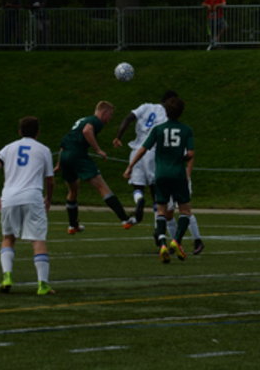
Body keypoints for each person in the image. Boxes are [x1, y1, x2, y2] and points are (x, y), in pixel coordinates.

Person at [0, 116, 55, 295]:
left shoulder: (8, 148)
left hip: (9, 197)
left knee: (8, 237)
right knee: (38, 240)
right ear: (38, 132)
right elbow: (50, 180)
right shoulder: (44, 150)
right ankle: (43, 284)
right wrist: (48, 198)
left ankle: (7, 276)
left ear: (19, 131)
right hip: (32, 196)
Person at [123, 96, 194, 264]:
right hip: (178, 173)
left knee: (160, 210)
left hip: (160, 174)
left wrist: (130, 166)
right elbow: (190, 154)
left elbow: (142, 149)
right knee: (185, 210)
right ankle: (176, 241)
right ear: (181, 112)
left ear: (166, 112)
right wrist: (181, 159)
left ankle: (162, 244)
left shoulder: (158, 129)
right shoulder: (186, 130)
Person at [57, 101, 136, 233]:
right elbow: (87, 130)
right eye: (110, 115)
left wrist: (59, 164)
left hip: (65, 155)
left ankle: (72, 225)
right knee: (102, 187)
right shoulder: (95, 121)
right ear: (104, 112)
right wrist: (98, 150)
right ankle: (125, 219)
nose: (110, 119)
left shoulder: (83, 120)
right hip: (78, 156)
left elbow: (66, 141)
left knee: (72, 191)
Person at [112, 90, 178, 225]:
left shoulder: (145, 106)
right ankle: (158, 227)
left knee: (137, 186)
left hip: (136, 151)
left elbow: (128, 118)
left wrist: (118, 137)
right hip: (152, 152)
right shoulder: (168, 114)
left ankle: (139, 201)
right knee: (155, 191)